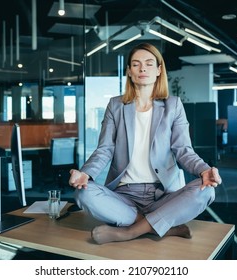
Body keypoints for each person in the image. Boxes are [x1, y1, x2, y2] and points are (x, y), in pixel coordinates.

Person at [69, 42, 222, 245]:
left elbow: (183, 150)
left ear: (159, 70)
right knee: (83, 193)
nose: (143, 68)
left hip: (162, 194)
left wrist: (204, 170)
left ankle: (129, 232)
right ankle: (162, 227)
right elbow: (105, 149)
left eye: (149, 63)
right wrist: (85, 173)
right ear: (129, 72)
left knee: (206, 191)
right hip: (123, 195)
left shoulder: (173, 105)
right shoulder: (116, 105)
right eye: (136, 64)